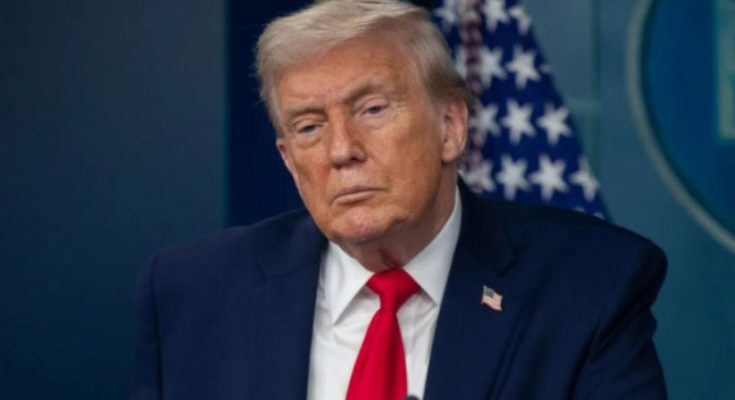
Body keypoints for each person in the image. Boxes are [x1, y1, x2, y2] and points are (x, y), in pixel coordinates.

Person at [130, 1, 667, 399]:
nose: (341, 150)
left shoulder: (589, 287)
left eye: (372, 110)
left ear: (450, 126)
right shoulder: (195, 293)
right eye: (310, 127)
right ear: (289, 161)